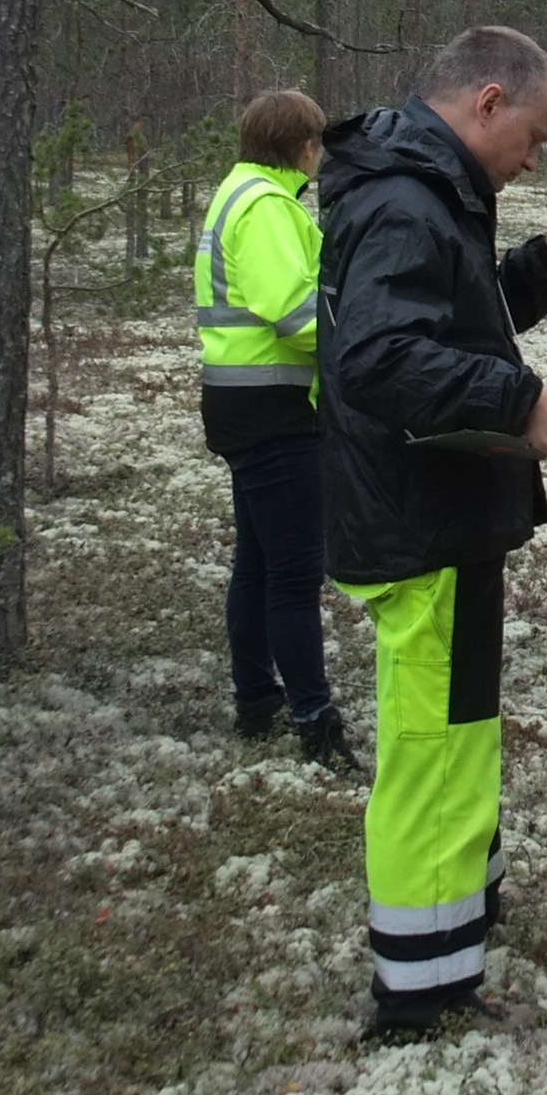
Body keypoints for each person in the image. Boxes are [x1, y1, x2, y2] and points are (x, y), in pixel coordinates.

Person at [316, 26, 547, 1040]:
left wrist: (541, 262)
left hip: (441, 515)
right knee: (432, 754)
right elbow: (383, 357)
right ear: (485, 100)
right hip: (417, 523)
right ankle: (423, 991)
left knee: (460, 735)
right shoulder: (402, 199)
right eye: (528, 138)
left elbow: (454, 316)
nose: (532, 161)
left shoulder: (427, 191)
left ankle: (457, 925)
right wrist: (519, 399)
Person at [196, 89, 356, 771]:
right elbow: (291, 312)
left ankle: (257, 698)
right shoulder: (263, 205)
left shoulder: (243, 192)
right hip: (273, 409)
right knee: (294, 574)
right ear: (302, 145)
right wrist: (362, 351)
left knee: (258, 565)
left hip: (246, 403)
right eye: (318, 142)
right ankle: (314, 720)